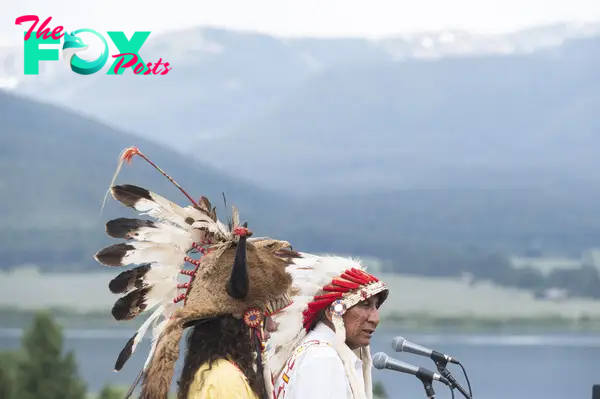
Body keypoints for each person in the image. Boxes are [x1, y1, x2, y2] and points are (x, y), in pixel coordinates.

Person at [94, 146, 298, 399]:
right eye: (267, 316)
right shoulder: (226, 380)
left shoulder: (212, 372)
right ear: (247, 320)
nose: (273, 325)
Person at [267, 253, 389, 399]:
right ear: (332, 313)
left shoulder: (316, 352)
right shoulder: (323, 358)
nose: (375, 319)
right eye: (364, 305)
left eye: (376, 306)